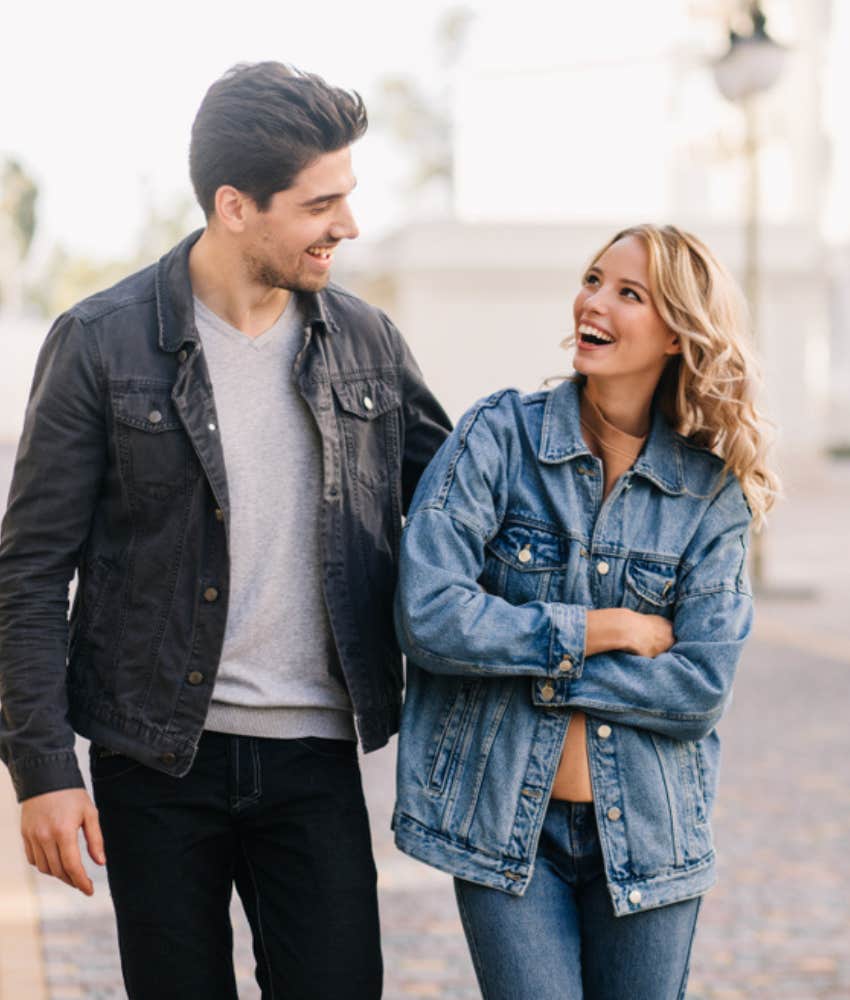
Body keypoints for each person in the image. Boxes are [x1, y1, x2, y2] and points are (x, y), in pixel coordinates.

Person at [0, 61, 450, 1000]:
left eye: (349, 197)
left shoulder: (366, 343)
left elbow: (466, 505)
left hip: (317, 758)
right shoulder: (100, 341)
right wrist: (41, 769)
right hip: (154, 757)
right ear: (235, 206)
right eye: (321, 203)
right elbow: (30, 572)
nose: (348, 226)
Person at [392, 224, 778, 999]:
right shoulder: (498, 437)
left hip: (651, 838)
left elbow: (699, 687)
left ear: (676, 333)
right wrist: (603, 631)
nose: (592, 302)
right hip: (507, 832)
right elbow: (429, 613)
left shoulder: (709, 496)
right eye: (593, 279)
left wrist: (523, 665)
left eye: (627, 293)